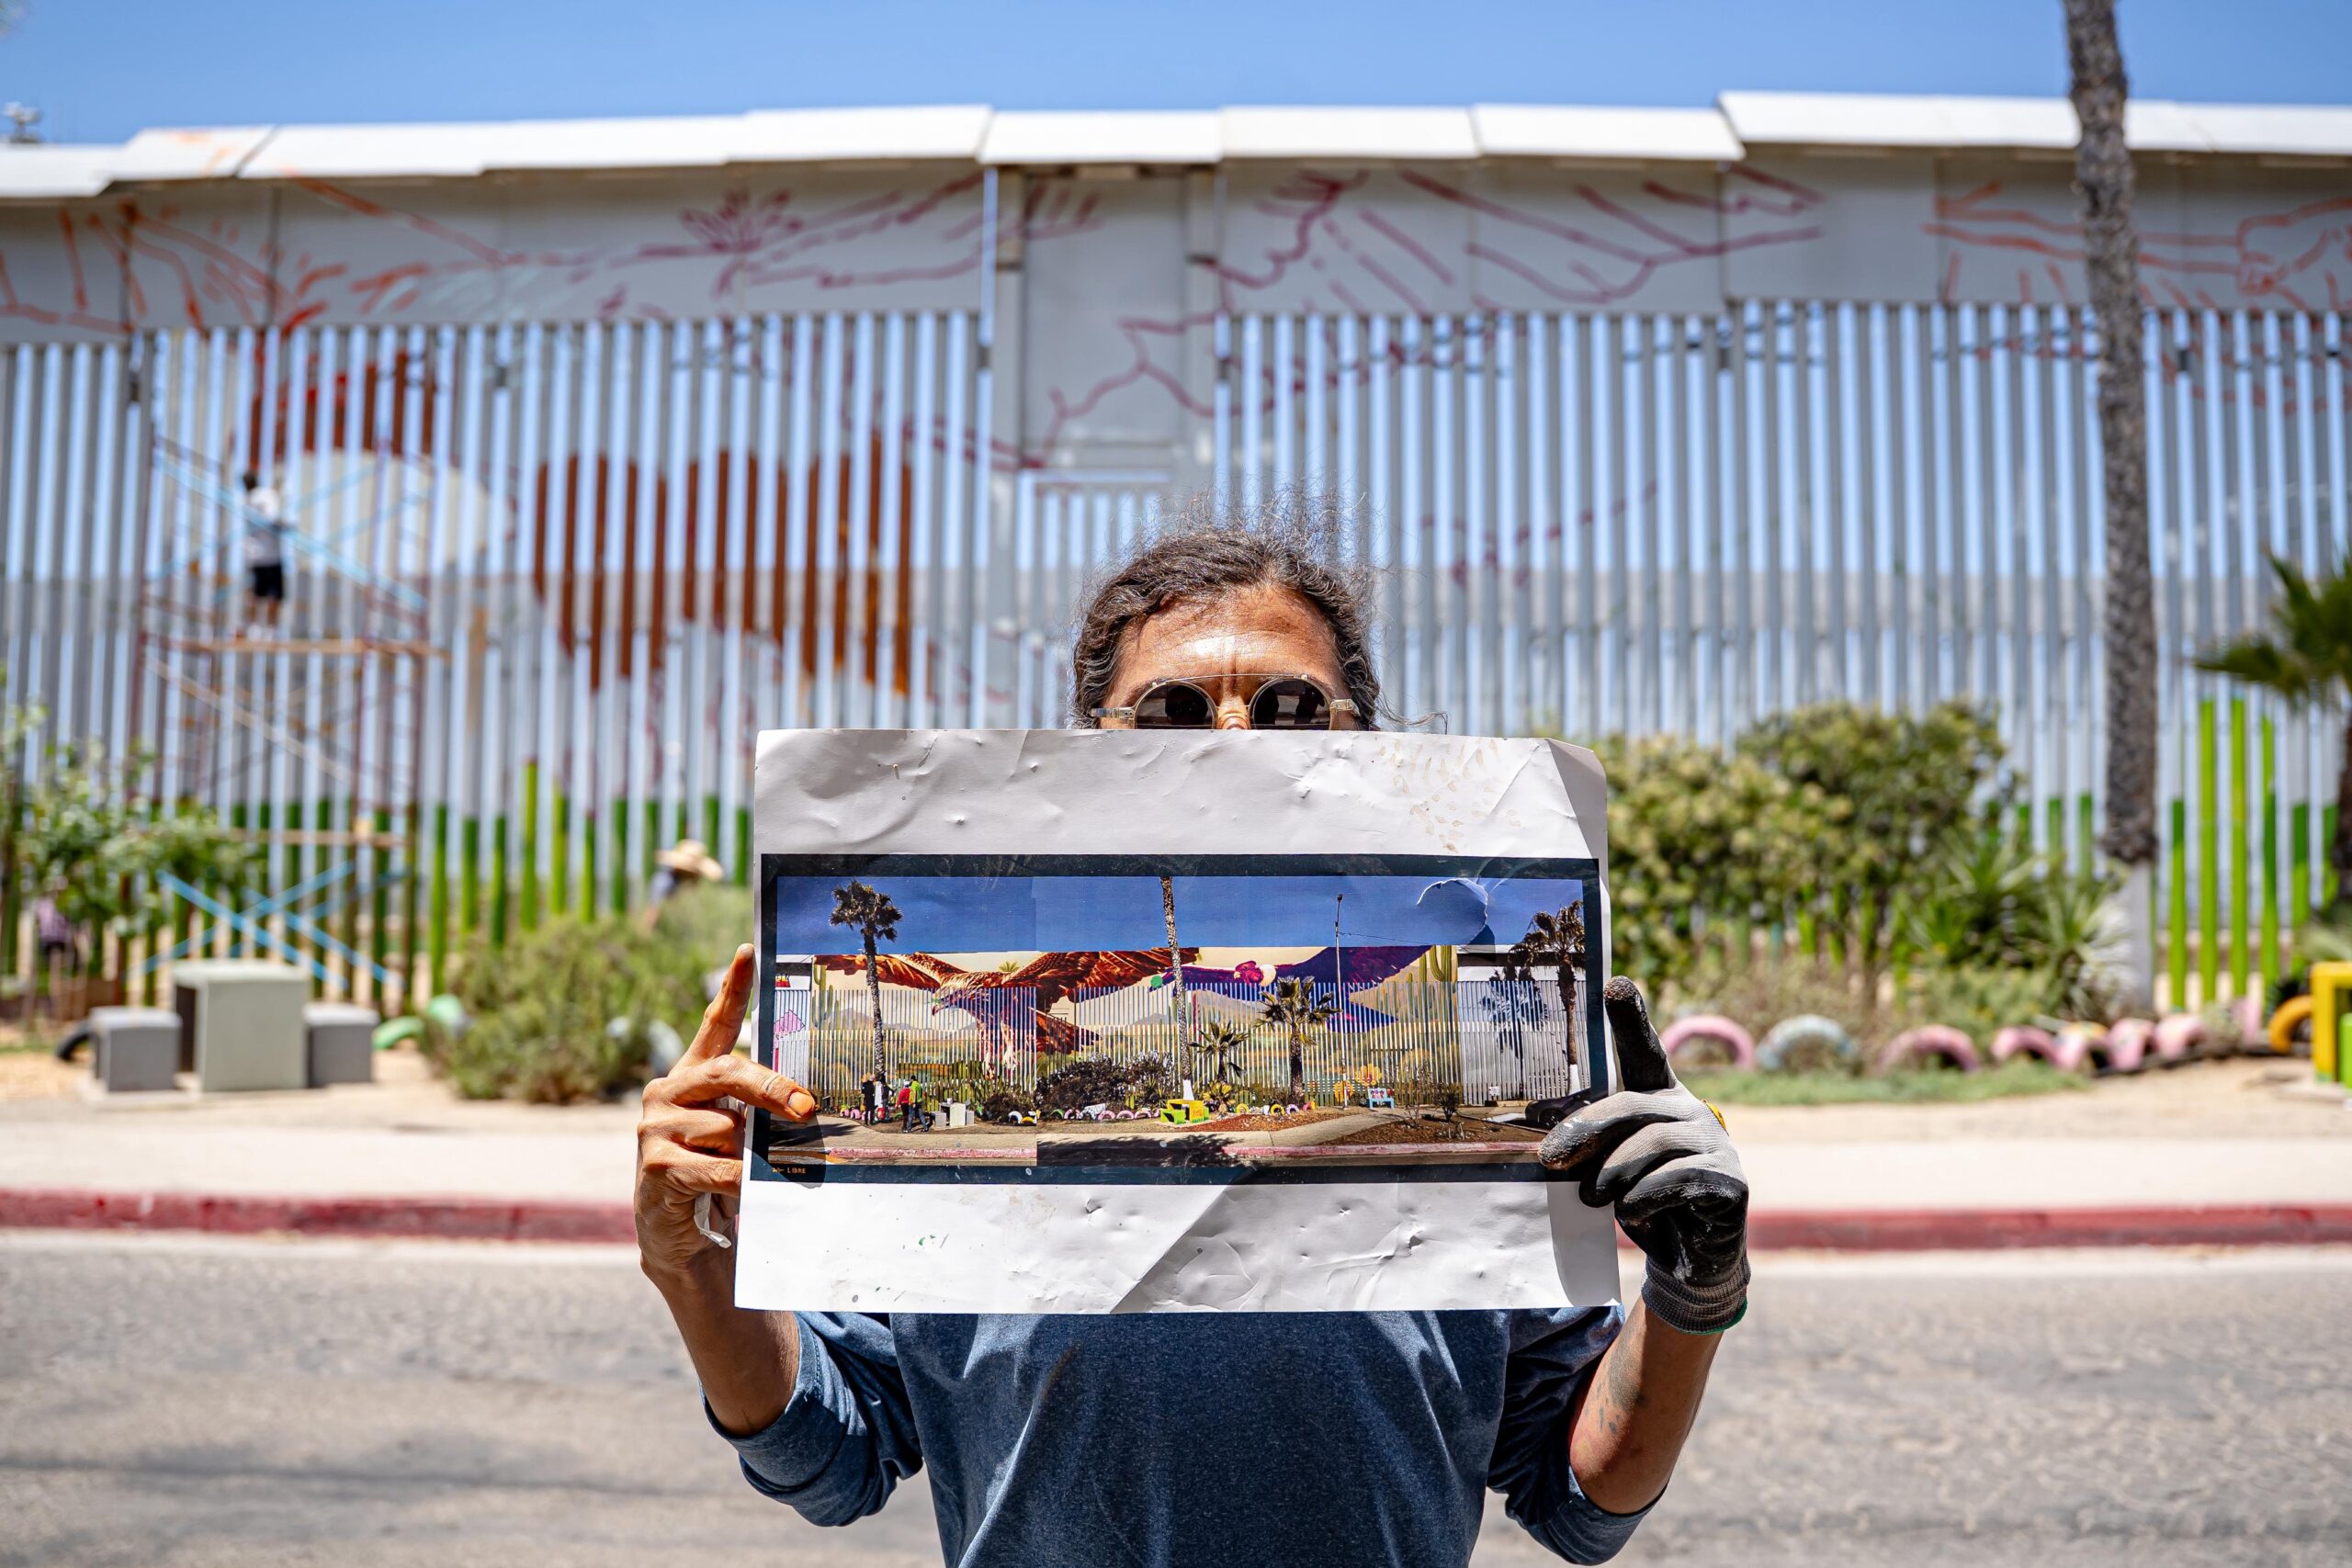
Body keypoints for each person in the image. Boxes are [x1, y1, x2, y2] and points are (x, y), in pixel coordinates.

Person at [635, 502, 1749, 1567]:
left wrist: (1691, 1296)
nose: (1232, 745)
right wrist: (694, 1268)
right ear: (1084, 751)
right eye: (1170, 711)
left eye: (1292, 708)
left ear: (1367, 741)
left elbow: (1579, 1499)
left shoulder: (1493, 1112)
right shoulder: (929, 1150)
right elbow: (832, 1462)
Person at [241, 469, 289, 637]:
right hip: (271, 554)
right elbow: (272, 518)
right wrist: (286, 526)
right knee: (273, 594)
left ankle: (253, 626)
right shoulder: (265, 496)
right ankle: (271, 628)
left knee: (255, 593)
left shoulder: (247, 500)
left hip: (254, 554)